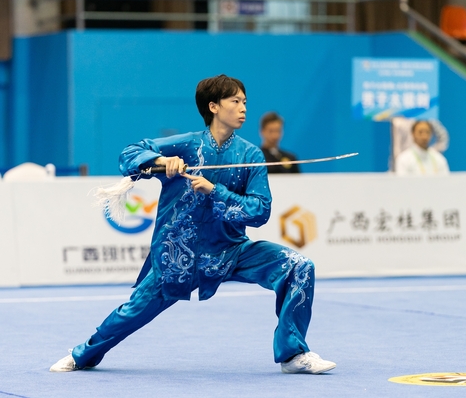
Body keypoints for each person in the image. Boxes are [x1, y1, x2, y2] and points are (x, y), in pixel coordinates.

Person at [49, 74, 335, 375]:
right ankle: (83, 355)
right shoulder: (185, 145)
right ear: (213, 106)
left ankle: (292, 355)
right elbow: (128, 155)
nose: (243, 108)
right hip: (178, 255)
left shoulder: (251, 154)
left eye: (245, 102)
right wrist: (161, 163)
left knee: (299, 266)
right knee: (132, 312)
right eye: (235, 101)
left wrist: (215, 191)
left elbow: (260, 211)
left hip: (232, 250)